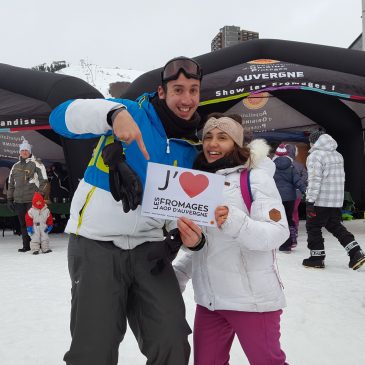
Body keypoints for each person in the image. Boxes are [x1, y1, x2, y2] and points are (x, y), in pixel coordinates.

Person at [49, 56, 205, 365]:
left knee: (172, 340)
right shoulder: (132, 111)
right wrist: (113, 114)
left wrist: (187, 235)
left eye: (194, 89)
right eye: (178, 89)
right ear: (162, 92)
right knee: (94, 348)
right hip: (97, 244)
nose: (187, 99)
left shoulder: (191, 147)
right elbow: (60, 117)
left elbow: (179, 207)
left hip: (151, 250)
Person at [174, 114, 289, 365]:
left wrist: (235, 222)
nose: (212, 144)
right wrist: (186, 257)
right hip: (211, 302)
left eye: (222, 138)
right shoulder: (199, 182)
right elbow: (206, 244)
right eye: (208, 137)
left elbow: (278, 233)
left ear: (237, 144)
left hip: (253, 302)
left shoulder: (255, 178)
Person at [303, 130, 365, 270]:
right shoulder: (338, 155)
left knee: (313, 227)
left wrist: (310, 201)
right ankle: (356, 252)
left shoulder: (315, 155)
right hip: (335, 200)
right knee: (335, 226)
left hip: (320, 200)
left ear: (314, 142)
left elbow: (314, 180)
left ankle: (316, 258)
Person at [6, 140, 48, 252]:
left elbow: (44, 181)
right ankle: (26, 245)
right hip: (19, 200)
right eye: (22, 150)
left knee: (35, 223)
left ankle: (37, 244)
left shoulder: (36, 164)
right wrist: (9, 199)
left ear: (29, 152)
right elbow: (10, 184)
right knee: (23, 224)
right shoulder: (15, 166)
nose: (24, 152)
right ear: (19, 152)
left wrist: (40, 196)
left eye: (26, 150)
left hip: (32, 200)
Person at [273, 143, 306, 252]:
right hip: (291, 198)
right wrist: (304, 191)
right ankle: (292, 240)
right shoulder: (291, 166)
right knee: (289, 218)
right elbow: (297, 181)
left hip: (277, 198)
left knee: (279, 219)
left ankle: (283, 242)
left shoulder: (271, 167)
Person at [285, 143, 307, 247]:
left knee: (287, 212)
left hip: (285, 193)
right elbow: (305, 176)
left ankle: (288, 230)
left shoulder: (281, 163)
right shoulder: (299, 165)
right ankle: (295, 229)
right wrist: (298, 184)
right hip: (297, 193)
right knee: (294, 211)